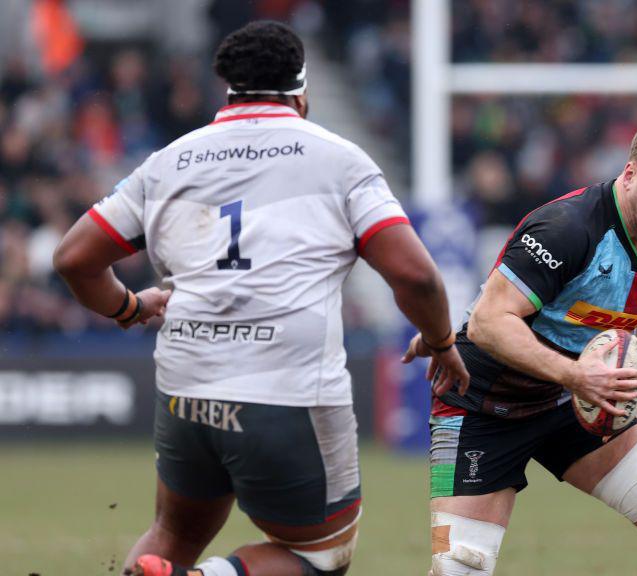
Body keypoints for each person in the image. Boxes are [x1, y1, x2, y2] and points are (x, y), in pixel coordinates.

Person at [52, 21, 469, 576]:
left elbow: (74, 258)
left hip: (186, 389)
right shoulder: (337, 159)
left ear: (228, 88)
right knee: (319, 558)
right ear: (302, 91)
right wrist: (442, 342)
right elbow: (416, 277)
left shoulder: (170, 160)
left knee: (172, 533)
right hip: (286, 394)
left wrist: (129, 308)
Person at [403, 117, 637, 576]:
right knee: (459, 566)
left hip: (574, 403)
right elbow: (487, 323)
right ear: (630, 173)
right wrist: (577, 375)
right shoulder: (566, 227)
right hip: (479, 405)